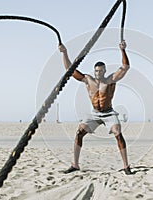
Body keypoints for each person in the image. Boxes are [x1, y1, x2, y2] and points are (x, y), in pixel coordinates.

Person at [58, 40, 133, 175]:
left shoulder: (110, 80)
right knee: (79, 132)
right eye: (96, 71)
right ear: (94, 71)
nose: (98, 73)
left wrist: (123, 50)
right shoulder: (88, 80)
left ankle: (126, 166)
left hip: (109, 113)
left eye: (101, 70)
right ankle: (75, 165)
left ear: (105, 71)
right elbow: (70, 70)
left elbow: (125, 67)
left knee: (117, 132)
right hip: (94, 113)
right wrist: (64, 52)